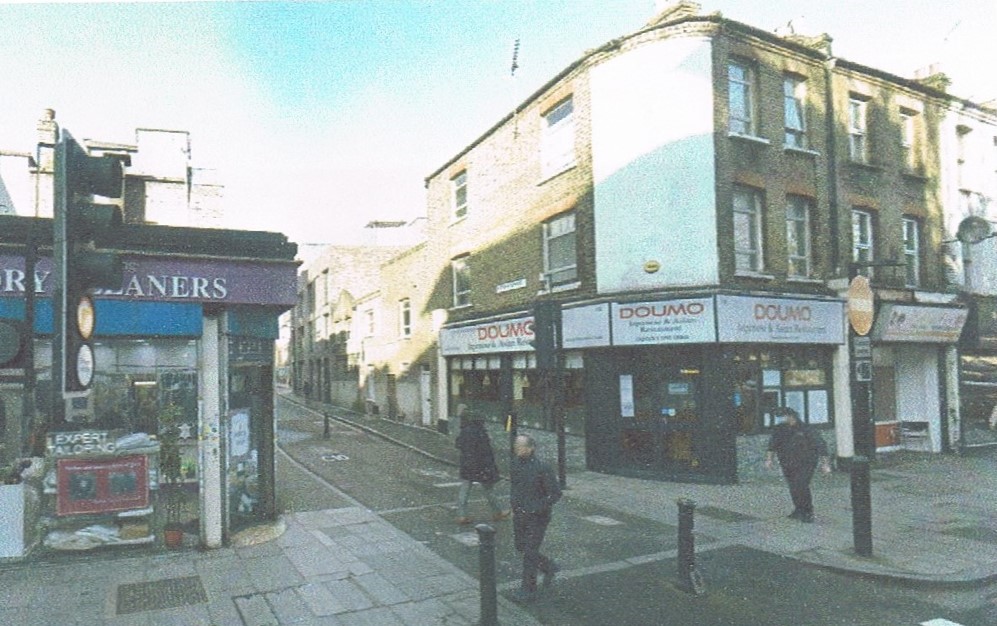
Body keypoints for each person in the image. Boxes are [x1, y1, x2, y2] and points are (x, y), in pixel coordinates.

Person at [509, 434, 562, 603]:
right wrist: (515, 506)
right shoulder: (515, 464)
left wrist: (536, 508)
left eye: (521, 446)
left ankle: (528, 589)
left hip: (537, 517)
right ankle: (548, 566)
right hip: (520, 514)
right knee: (521, 547)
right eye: (516, 446)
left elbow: (555, 494)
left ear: (531, 448)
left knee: (530, 552)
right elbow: (515, 487)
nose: (517, 449)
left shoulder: (542, 467)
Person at [765, 406, 832, 523]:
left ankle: (808, 511)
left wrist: (825, 464)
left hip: (806, 462)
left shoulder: (806, 429)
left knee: (801, 485)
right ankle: (798, 509)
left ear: (791, 416)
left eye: (782, 417)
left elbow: (821, 445)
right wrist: (769, 459)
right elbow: (772, 445)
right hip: (787, 462)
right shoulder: (780, 429)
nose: (780, 419)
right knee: (793, 487)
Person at [454, 405, 509, 524]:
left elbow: (458, 444)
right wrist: (491, 467)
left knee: (465, 490)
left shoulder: (465, 430)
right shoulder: (480, 432)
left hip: (467, 464)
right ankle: (497, 512)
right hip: (482, 466)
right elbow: (486, 452)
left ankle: (461, 515)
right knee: (488, 490)